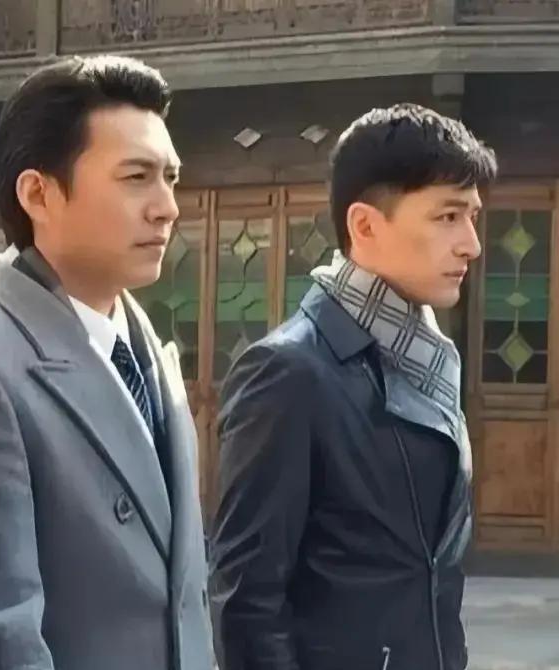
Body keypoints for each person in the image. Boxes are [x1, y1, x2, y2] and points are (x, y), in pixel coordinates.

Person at [0, 55, 214, 670]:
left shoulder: (144, 351)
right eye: (136, 177)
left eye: (170, 178)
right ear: (38, 194)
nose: (166, 207)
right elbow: (3, 639)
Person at [209, 104, 497, 670]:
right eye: (447, 216)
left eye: (472, 217)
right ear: (364, 225)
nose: (472, 244)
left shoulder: (429, 360)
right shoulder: (288, 372)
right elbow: (246, 601)